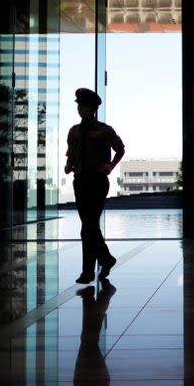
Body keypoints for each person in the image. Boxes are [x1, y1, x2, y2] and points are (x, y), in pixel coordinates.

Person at [65, 88, 125, 284]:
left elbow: (120, 148)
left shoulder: (104, 130)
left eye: (86, 107)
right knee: (88, 227)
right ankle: (105, 260)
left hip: (97, 181)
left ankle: (88, 272)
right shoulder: (74, 131)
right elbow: (71, 153)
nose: (82, 110)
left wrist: (111, 166)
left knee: (88, 226)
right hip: (80, 181)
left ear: (94, 109)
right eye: (80, 106)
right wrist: (69, 165)